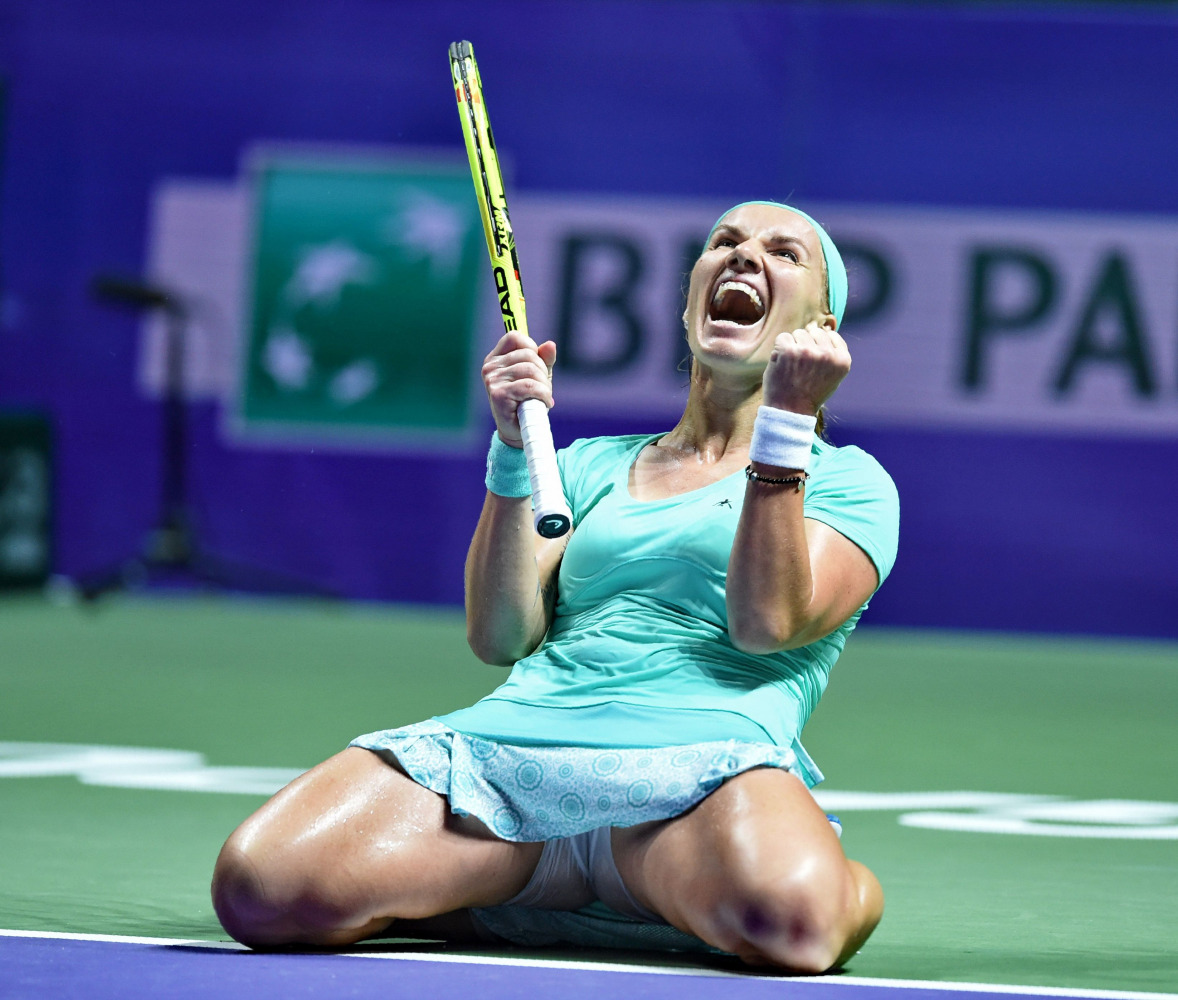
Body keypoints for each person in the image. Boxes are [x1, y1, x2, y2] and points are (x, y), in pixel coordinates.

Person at [211, 200, 900, 973]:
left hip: (699, 787)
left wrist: (787, 424)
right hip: (514, 788)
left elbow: (766, 625)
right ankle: (554, 892)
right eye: (725, 243)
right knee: (260, 888)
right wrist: (513, 448)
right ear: (687, 301)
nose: (744, 257)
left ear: (824, 326)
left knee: (798, 926)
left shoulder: (850, 484)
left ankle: (832, 876)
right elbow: (498, 637)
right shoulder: (583, 466)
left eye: (784, 253)